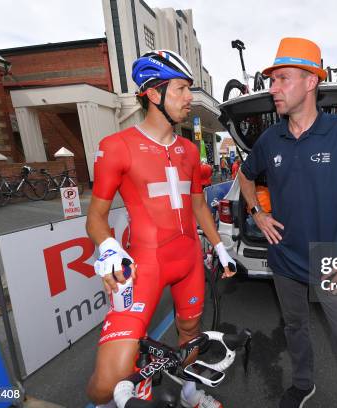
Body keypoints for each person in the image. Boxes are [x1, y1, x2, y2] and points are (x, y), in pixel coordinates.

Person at [238, 37, 337, 408]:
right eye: (271, 80)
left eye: (282, 79)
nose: (273, 87)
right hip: (284, 260)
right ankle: (303, 384)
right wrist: (259, 212)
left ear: (310, 82)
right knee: (295, 327)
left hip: (332, 263)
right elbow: (244, 176)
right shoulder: (269, 139)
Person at [86, 50, 236, 408]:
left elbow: (197, 204)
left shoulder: (188, 149)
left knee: (191, 338)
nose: (190, 98)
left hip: (189, 260)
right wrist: (108, 247)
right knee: (107, 382)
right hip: (145, 264)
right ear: (153, 94)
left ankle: (187, 394)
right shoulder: (116, 146)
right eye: (182, 89)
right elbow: (94, 217)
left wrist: (218, 247)